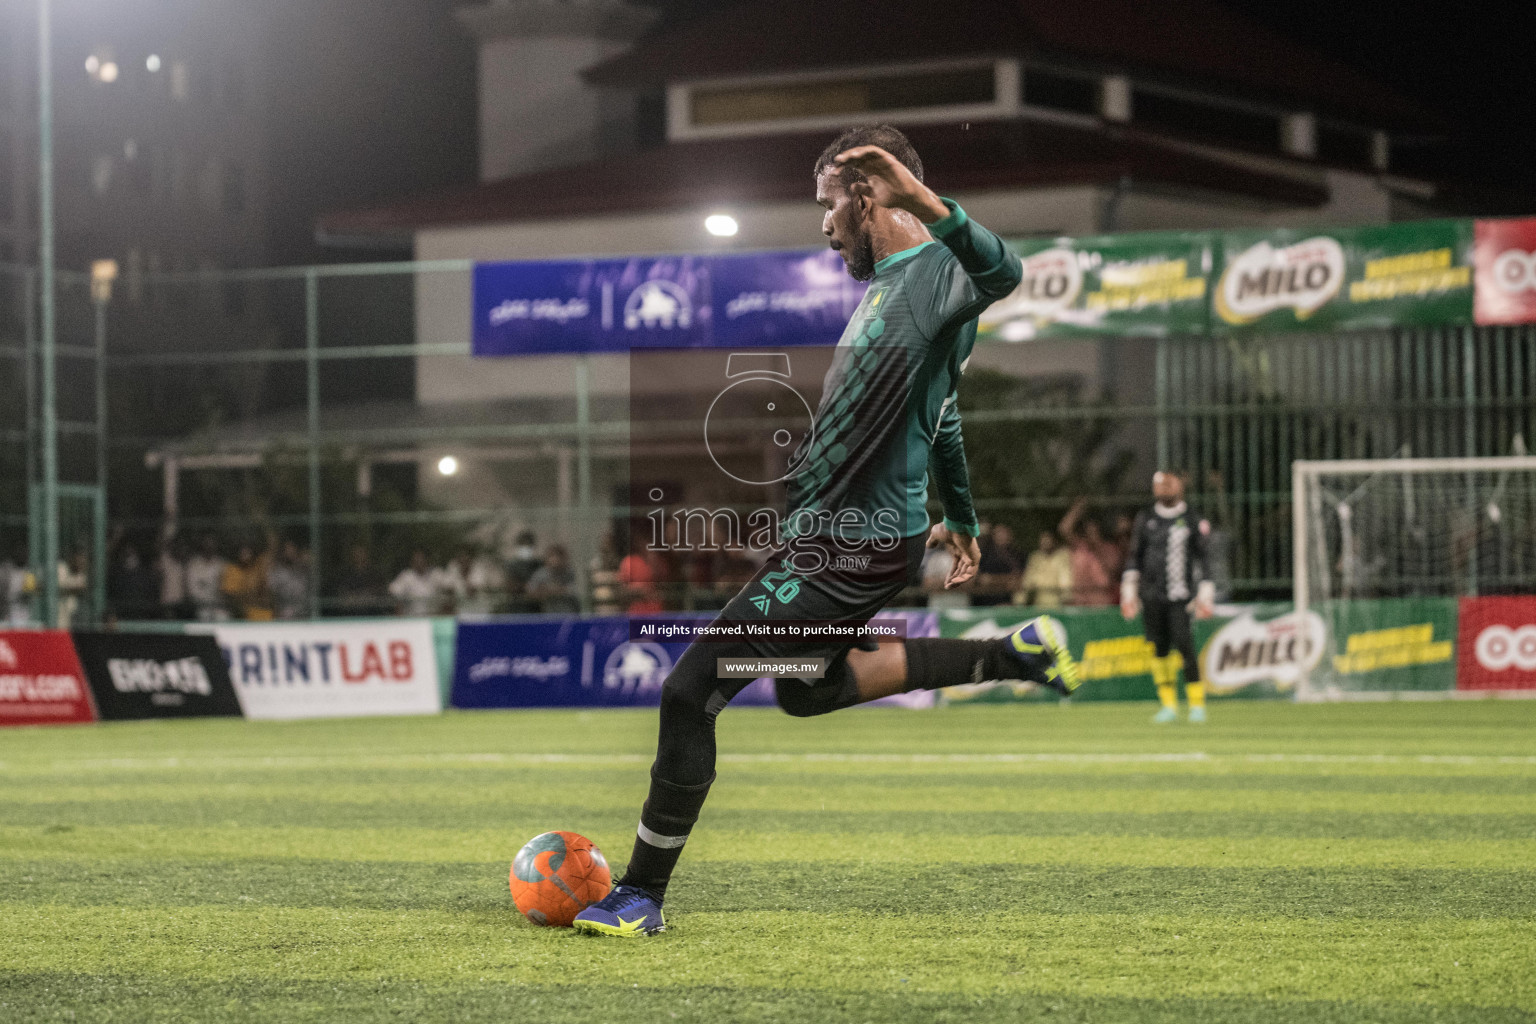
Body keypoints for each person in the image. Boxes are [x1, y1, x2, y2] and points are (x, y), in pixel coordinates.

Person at [573, 127, 1080, 938]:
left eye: (828, 204)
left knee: (690, 691)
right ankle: (1012, 652)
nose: (823, 224)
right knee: (811, 690)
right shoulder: (891, 289)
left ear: (868, 195)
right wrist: (965, 518)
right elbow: (943, 419)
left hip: (848, 549)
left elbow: (1004, 269)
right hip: (845, 542)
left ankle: (641, 895)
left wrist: (921, 199)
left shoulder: (938, 272)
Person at [1120, 471, 1215, 724]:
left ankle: (1196, 704)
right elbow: (1134, 555)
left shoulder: (1192, 517)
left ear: (1180, 485)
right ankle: (1168, 705)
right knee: (1159, 649)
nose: (1162, 488)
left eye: (1168, 483)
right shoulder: (1146, 518)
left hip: (1180, 596)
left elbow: (1204, 558)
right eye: (1159, 484)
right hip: (1151, 596)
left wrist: (1206, 592)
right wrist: (1128, 590)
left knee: (1185, 645)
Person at [972, 523, 1023, 606]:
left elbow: (1018, 578)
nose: (1002, 536)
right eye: (998, 533)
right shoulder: (984, 554)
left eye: (1004, 533)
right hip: (985, 600)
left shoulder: (1017, 555)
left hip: (1008, 600)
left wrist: (993, 580)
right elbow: (980, 579)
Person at [221, 541, 273, 621]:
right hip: (240, 612)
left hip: (259, 610)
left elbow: (264, 592)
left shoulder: (257, 568)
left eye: (248, 553)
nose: (245, 556)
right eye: (242, 553)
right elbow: (230, 595)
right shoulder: (232, 569)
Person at [1019, 530, 1072, 608]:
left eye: (1048, 539)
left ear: (1054, 541)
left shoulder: (1062, 556)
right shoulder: (1035, 558)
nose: (1045, 542)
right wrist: (1022, 600)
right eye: (1043, 540)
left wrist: (1066, 597)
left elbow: (1065, 579)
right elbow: (1028, 581)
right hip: (1038, 604)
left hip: (1057, 604)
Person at [334, 544, 388, 616]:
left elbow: (379, 595)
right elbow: (343, 596)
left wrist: (365, 597)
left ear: (366, 555)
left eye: (361, 553)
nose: (359, 556)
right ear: (352, 556)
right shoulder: (345, 575)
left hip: (373, 615)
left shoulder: (375, 575)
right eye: (357, 554)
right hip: (349, 616)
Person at [526, 544, 579, 614]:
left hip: (568, 613)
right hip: (548, 614)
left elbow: (570, 591)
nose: (555, 560)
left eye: (558, 557)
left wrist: (555, 590)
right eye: (551, 557)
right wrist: (547, 591)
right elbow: (530, 591)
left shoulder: (569, 573)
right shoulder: (541, 574)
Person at [389, 549, 443, 617]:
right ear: (412, 562)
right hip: (412, 618)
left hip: (434, 617)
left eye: (421, 560)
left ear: (427, 560)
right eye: (416, 560)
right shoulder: (406, 575)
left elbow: (449, 590)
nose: (419, 563)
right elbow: (393, 592)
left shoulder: (436, 573)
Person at [186, 535, 227, 622]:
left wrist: (206, 586)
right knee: (203, 617)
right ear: (202, 545)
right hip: (200, 606)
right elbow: (192, 590)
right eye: (206, 544)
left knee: (223, 617)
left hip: (219, 606)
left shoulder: (222, 564)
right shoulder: (193, 564)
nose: (209, 547)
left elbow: (224, 589)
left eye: (212, 544)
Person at [268, 540, 311, 620]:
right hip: (283, 617)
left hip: (304, 617)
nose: (290, 551)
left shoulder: (304, 570)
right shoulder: (276, 571)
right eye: (287, 549)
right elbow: (271, 592)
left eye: (292, 548)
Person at [156, 539, 188, 620]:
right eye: (174, 548)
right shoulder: (165, 561)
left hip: (180, 603)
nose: (177, 550)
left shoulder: (184, 565)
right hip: (166, 602)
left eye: (179, 548)